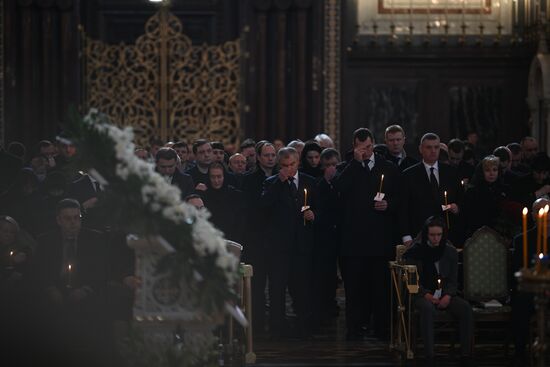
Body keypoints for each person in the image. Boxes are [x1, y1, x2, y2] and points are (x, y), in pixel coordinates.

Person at [333, 128, 401, 341]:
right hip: (353, 243)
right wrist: (355, 163)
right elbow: (339, 189)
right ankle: (354, 330)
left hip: (379, 241)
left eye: (369, 147)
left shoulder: (387, 167)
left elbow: (401, 198)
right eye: (361, 148)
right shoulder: (346, 167)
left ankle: (381, 329)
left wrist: (388, 204)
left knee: (380, 288)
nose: (366, 152)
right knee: (354, 290)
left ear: (374, 144)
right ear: (354, 147)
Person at [34, 198, 109, 366]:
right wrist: (50, 289)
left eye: (77, 218)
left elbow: (102, 272)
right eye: (67, 218)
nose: (73, 223)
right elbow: (39, 272)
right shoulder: (45, 240)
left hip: (86, 291)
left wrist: (85, 290)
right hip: (55, 290)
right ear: (58, 220)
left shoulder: (95, 239)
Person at [259, 147, 317, 339]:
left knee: (302, 288)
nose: (288, 169)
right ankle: (277, 328)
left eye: (291, 165)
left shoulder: (310, 182)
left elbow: (323, 210)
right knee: (277, 289)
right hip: (279, 248)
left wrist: (313, 215)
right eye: (284, 166)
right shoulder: (271, 183)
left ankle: (304, 327)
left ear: (298, 162)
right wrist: (278, 183)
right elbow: (263, 208)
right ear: (279, 165)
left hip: (301, 246)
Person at [403, 216, 474, 367]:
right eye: (432, 235)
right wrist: (427, 295)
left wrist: (448, 296)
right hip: (421, 293)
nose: (436, 238)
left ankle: (466, 354)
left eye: (439, 235)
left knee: (465, 308)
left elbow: (453, 280)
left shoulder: (450, 252)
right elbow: (412, 281)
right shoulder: (415, 252)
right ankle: (430, 356)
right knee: (428, 309)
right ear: (426, 234)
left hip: (444, 293)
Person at [240, 141, 278, 334]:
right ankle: (257, 327)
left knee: (277, 287)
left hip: (277, 241)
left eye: (273, 155)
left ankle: (277, 326)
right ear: (258, 157)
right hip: (257, 241)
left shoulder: (282, 175)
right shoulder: (250, 179)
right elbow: (250, 211)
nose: (271, 158)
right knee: (257, 287)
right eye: (267, 155)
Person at [400, 133, 462, 247]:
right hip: (418, 233)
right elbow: (403, 208)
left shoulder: (451, 172)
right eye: (429, 147)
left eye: (436, 147)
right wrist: (406, 236)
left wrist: (457, 208)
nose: (433, 151)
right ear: (421, 149)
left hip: (446, 233)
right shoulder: (408, 175)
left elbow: (461, 199)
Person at [510, 198, 549, 367]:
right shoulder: (522, 240)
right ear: (533, 215)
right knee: (520, 303)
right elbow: (517, 271)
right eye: (539, 212)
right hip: (529, 290)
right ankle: (520, 353)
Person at [312, 148, 341, 327]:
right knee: (326, 276)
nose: (331, 169)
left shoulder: (344, 183)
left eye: (334, 165)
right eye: (327, 165)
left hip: (342, 235)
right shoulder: (317, 185)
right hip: (324, 238)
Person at [462, 155, 517, 239]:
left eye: (494, 170)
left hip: (501, 234)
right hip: (478, 234)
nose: (491, 173)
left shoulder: (505, 189)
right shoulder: (473, 191)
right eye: (487, 170)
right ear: (482, 172)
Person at [202, 162, 245, 243]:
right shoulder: (203, 196)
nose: (216, 180)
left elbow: (240, 222)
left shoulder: (235, 195)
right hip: (209, 241)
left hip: (232, 240)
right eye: (213, 177)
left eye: (219, 177)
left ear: (224, 176)